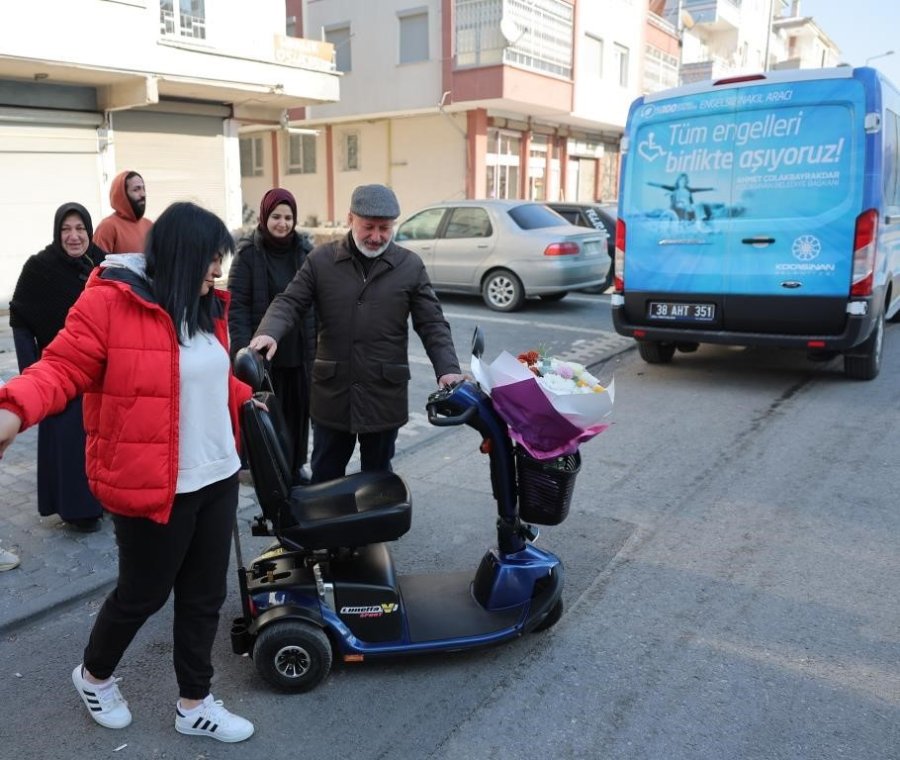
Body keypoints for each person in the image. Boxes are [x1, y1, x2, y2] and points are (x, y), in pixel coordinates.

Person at [0, 202, 255, 743]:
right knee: (143, 593)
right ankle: (93, 675)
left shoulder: (204, 306)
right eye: (211, 260)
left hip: (216, 475)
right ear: (181, 256)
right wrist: (13, 408)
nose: (218, 271)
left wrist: (244, 396)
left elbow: (198, 379)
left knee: (204, 596)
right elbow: (61, 366)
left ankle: (195, 703)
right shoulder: (109, 304)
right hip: (151, 481)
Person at [249, 184, 465, 483]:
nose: (376, 237)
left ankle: (375, 528)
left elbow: (432, 324)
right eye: (368, 227)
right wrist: (269, 332)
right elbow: (290, 300)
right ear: (350, 218)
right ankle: (326, 529)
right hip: (332, 393)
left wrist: (448, 370)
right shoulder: (321, 261)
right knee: (325, 475)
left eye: (385, 228)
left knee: (377, 478)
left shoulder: (409, 265)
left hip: (383, 393)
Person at [9, 202, 106, 532]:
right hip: (60, 374)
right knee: (68, 444)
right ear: (56, 232)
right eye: (66, 229)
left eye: (80, 229)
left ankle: (104, 501)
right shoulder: (39, 268)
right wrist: (30, 371)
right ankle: (76, 510)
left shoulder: (102, 264)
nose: (74, 236)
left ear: (89, 232)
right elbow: (20, 317)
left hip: (101, 374)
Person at [228, 188, 315, 484]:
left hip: (298, 350)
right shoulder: (248, 253)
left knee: (298, 414)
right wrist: (243, 354)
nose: (282, 223)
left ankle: (295, 465)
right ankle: (269, 470)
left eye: (288, 217)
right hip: (262, 354)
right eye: (276, 216)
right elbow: (237, 307)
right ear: (265, 217)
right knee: (268, 415)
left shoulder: (304, 252)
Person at [93, 170, 153, 253]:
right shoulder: (107, 227)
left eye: (143, 189)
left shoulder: (149, 225)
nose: (143, 194)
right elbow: (98, 263)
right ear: (122, 195)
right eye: (136, 190)